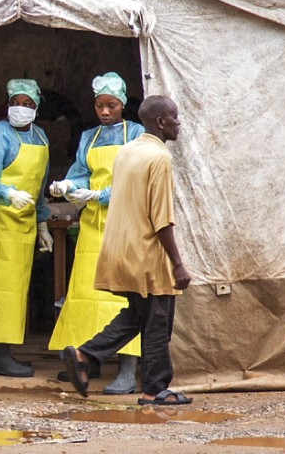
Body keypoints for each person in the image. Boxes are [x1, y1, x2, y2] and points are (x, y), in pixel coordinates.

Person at [62, 95, 192, 407]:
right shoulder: (159, 158)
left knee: (138, 315)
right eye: (175, 117)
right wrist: (177, 264)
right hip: (148, 253)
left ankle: (85, 355)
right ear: (161, 122)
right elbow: (161, 218)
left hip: (120, 246)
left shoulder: (127, 151)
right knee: (158, 321)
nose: (179, 123)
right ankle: (155, 389)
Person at [48, 72, 145, 394]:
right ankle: (87, 359)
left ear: (123, 105)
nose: (105, 112)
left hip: (126, 221)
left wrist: (101, 195)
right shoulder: (88, 137)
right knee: (88, 294)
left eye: (112, 106)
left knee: (123, 295)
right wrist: (70, 186)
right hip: (93, 225)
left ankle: (128, 369)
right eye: (100, 106)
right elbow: (82, 172)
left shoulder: (136, 134)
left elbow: (136, 179)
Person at [0, 78, 51, 377]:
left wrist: (42, 221)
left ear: (36, 107)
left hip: (24, 225)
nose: (21, 109)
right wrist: (8, 194)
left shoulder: (41, 137)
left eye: (27, 104)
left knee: (16, 290)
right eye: (15, 103)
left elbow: (40, 184)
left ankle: (4, 351)